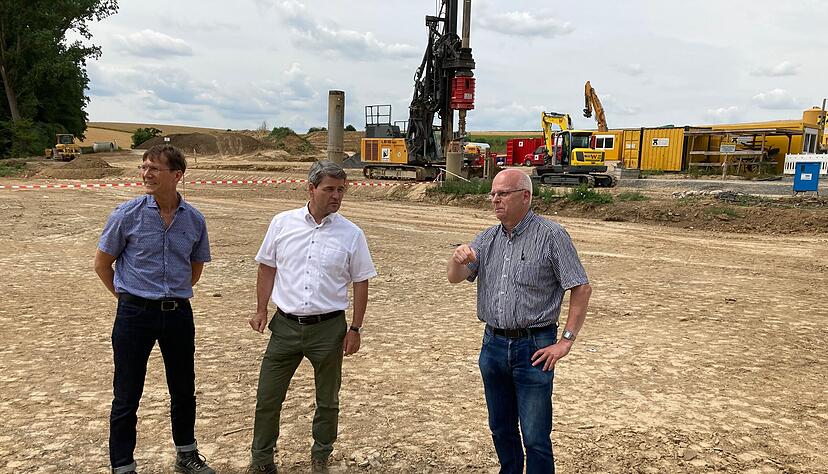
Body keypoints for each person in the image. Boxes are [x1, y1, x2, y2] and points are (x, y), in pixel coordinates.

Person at [447, 168, 592, 474]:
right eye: (493, 194)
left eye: (502, 194)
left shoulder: (552, 236)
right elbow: (455, 278)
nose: (495, 200)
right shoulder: (487, 238)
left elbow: (580, 287)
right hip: (493, 344)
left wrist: (565, 341)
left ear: (525, 196)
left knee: (536, 435)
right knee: (500, 427)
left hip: (535, 347)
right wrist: (457, 259)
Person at [247, 160, 377, 474]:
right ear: (311, 188)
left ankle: (321, 456)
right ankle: (262, 461)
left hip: (329, 330)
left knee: (328, 400)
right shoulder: (281, 223)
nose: (336, 196)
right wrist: (261, 308)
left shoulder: (352, 234)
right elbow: (267, 267)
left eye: (341, 190)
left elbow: (361, 280)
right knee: (267, 397)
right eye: (329, 189)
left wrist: (355, 327)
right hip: (285, 327)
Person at [94, 145, 214, 474]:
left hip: (177, 314)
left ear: (177, 175)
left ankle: (186, 455)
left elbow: (195, 268)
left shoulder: (195, 219)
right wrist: (127, 298)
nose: (146, 174)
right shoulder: (126, 214)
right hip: (134, 314)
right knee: (127, 393)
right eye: (144, 167)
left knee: (183, 388)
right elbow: (103, 264)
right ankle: (123, 466)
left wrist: (170, 294)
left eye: (154, 169)